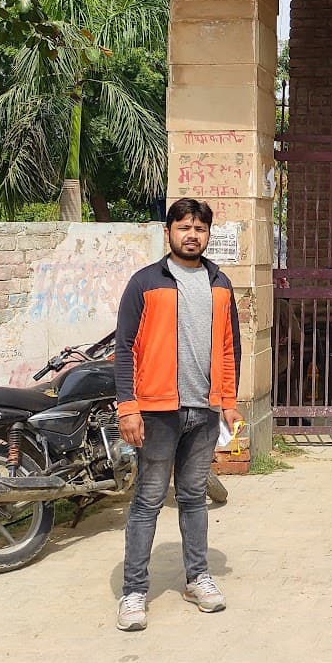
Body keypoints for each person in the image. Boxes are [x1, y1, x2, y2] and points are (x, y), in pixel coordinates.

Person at [114, 197, 242, 632]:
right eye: (184, 227)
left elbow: (229, 348)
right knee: (148, 500)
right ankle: (134, 592)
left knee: (192, 498)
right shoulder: (146, 282)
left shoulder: (220, 284)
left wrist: (228, 402)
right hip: (155, 412)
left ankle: (197, 577)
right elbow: (124, 349)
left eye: (200, 229)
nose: (192, 235)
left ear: (208, 234)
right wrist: (128, 407)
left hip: (203, 411)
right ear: (167, 231)